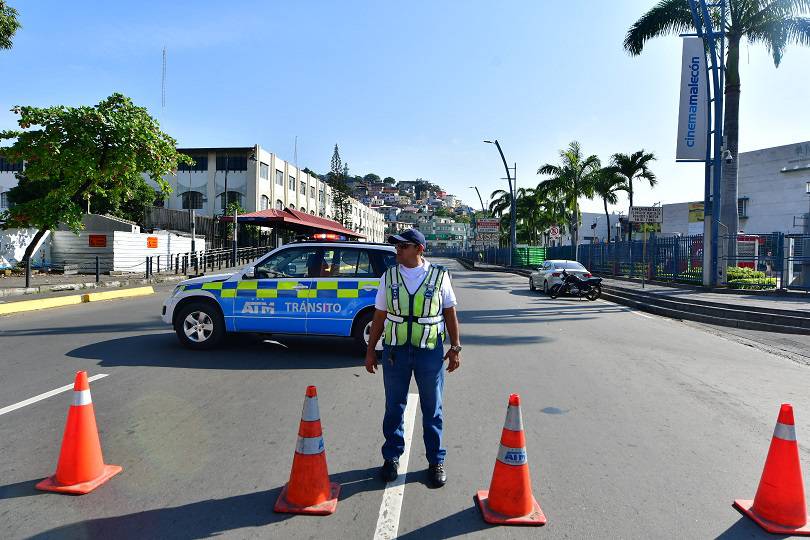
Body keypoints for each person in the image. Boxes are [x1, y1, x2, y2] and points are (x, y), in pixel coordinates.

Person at [365, 229, 462, 488]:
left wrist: (455, 347)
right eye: (396, 246)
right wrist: (370, 350)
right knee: (393, 406)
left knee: (433, 409)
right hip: (396, 351)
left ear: (419, 249)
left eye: (403, 246)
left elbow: (450, 312)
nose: (397, 250)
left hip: (429, 351)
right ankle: (391, 458)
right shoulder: (389, 276)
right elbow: (379, 316)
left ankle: (435, 461)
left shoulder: (440, 276)